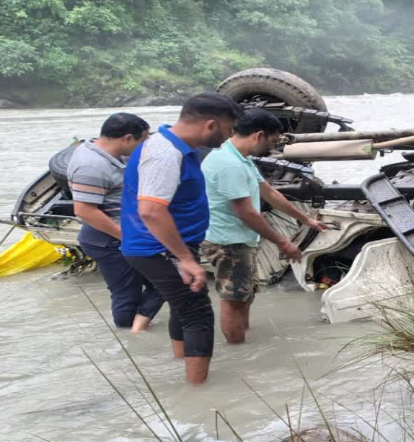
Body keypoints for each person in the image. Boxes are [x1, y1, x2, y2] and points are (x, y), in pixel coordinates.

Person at [120, 93, 242, 385]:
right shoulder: (165, 153)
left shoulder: (175, 146)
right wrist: (185, 259)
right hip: (159, 249)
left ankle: (182, 366)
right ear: (211, 125)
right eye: (228, 130)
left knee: (183, 309)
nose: (228, 138)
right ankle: (197, 394)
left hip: (166, 246)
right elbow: (150, 211)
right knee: (199, 315)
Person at [201, 108, 329, 345]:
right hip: (228, 242)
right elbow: (247, 212)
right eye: (272, 140)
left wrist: (306, 219)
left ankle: (245, 340)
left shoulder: (241, 159)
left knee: (244, 295)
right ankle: (238, 352)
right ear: (259, 135)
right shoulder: (229, 164)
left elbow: (269, 192)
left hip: (242, 240)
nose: (272, 147)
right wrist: (283, 242)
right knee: (232, 299)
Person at [67, 113, 161, 333]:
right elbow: (84, 210)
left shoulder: (112, 154)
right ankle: (132, 337)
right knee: (128, 294)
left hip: (122, 234)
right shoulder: (91, 165)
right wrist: (127, 237)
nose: (144, 145)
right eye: (143, 140)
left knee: (160, 284)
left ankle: (139, 328)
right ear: (128, 138)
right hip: (108, 239)